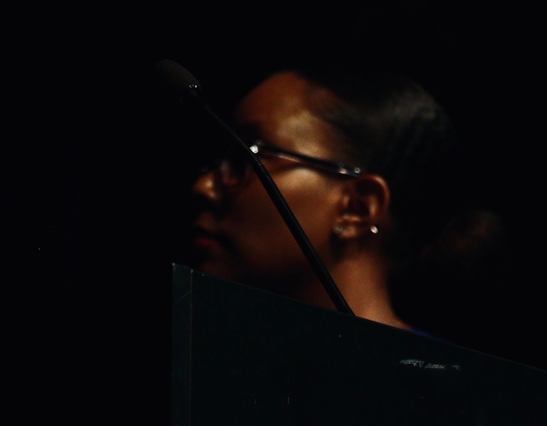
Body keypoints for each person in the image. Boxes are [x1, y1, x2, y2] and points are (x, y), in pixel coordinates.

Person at [169, 63, 512, 350]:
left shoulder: (455, 397)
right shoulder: (199, 367)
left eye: (248, 156)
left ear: (358, 208)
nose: (203, 187)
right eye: (221, 159)